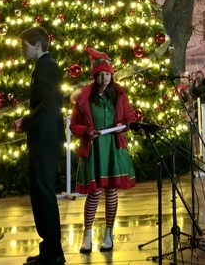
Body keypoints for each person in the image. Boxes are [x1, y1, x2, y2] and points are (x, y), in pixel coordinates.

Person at [70, 51, 139, 254]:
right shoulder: (84, 98)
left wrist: (122, 125)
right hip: (94, 150)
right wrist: (86, 131)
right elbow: (74, 126)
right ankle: (87, 234)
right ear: (94, 76)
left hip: (113, 148)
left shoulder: (119, 95)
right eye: (100, 75)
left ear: (112, 75)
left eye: (107, 74)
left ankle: (109, 233)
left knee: (111, 192)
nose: (104, 79)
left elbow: (130, 118)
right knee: (94, 193)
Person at [13, 27, 64, 265]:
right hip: (45, 137)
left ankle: (53, 252)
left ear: (37, 45)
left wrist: (26, 120)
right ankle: (50, 249)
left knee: (43, 193)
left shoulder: (46, 67)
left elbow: (47, 105)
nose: (23, 50)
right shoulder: (45, 66)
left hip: (44, 138)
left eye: (25, 46)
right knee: (42, 192)